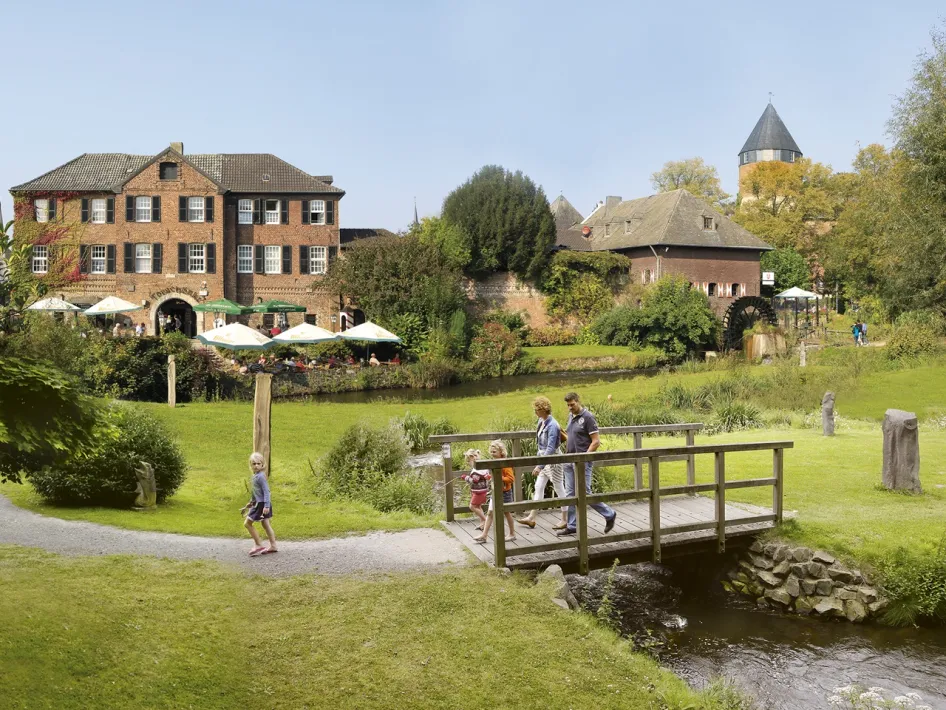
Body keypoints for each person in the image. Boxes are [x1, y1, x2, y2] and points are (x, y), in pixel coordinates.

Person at [556, 392, 617, 537]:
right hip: (570, 461)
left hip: (583, 462)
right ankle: (572, 525)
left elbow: (596, 441)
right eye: (568, 405)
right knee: (570, 494)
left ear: (578, 401)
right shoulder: (571, 416)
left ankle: (609, 514)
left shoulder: (588, 417)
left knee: (585, 493)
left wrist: (584, 457)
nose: (570, 407)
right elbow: (571, 436)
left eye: (572, 404)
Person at [517, 396, 568, 530]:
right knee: (539, 486)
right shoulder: (542, 421)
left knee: (559, 488)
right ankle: (532, 517)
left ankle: (565, 519)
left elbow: (551, 448)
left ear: (544, 410)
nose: (535, 413)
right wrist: (540, 462)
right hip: (544, 459)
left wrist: (540, 466)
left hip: (553, 460)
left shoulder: (553, 425)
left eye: (537, 410)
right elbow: (541, 444)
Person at [472, 440, 516, 544]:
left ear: (501, 452)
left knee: (507, 513)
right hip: (495, 491)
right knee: (490, 513)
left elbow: (511, 479)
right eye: (491, 452)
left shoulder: (505, 464)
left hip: (505, 492)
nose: (492, 454)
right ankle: (484, 535)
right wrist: (490, 477)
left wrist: (499, 477)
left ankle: (512, 533)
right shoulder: (493, 463)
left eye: (494, 452)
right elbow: (494, 476)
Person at [240, 452, 278, 556]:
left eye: (258, 463)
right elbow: (256, 491)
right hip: (258, 503)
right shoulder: (255, 476)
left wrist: (266, 506)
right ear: (250, 465)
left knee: (247, 524)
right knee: (266, 524)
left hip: (261, 505)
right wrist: (251, 502)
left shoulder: (260, 477)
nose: (256, 465)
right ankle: (273, 545)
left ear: (262, 464)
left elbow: (266, 491)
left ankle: (258, 545)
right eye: (253, 463)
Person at [458, 448, 489, 530]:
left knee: (472, 506)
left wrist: (465, 477)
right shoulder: (481, 467)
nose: (469, 462)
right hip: (482, 490)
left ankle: (486, 520)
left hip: (479, 492)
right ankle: (483, 524)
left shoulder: (477, 470)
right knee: (478, 507)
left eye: (469, 461)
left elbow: (474, 480)